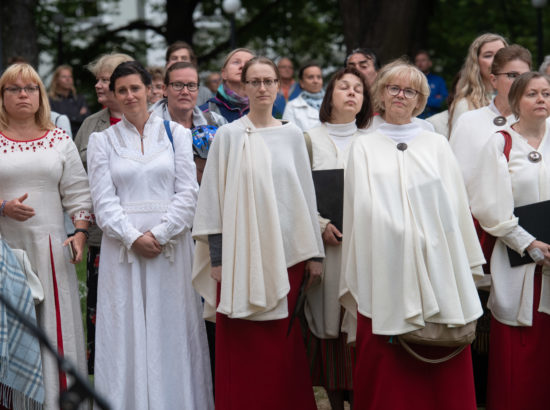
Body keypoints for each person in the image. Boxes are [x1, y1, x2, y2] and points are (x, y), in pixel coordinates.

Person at [339, 61, 484, 410]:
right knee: (389, 375)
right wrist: (401, 234)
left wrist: (433, 243)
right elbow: (362, 207)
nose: (401, 96)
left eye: (410, 91)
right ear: (382, 94)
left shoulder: (435, 144)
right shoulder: (363, 145)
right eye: (393, 88)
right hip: (385, 265)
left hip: (438, 265)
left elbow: (454, 206)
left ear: (420, 99)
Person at [192, 56, 324, 410]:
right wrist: (217, 259)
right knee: (242, 346)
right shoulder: (229, 137)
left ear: (277, 86)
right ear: (245, 87)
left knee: (281, 346)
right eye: (256, 82)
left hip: (287, 259)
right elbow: (213, 200)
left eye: (269, 81)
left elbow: (304, 199)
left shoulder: (294, 135)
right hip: (238, 258)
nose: (263, 88)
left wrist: (313, 255)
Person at [87, 61, 213, 410]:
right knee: (125, 331)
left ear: (151, 90)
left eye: (135, 88)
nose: (129, 96)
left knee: (171, 329)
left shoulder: (179, 135)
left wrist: (159, 234)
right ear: (113, 95)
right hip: (123, 251)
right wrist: (132, 237)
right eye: (122, 90)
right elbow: (103, 200)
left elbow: (189, 194)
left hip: (171, 250)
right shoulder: (102, 141)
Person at [0, 63, 92, 409]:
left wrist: (80, 233)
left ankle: (57, 401)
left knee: (55, 328)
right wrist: (3, 206)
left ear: (41, 95)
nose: (23, 94)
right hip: (4, 250)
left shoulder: (58, 138)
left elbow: (79, 194)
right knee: (9, 328)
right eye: (14, 89)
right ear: (2, 96)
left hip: (51, 249)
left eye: (30, 88)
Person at [468, 72, 550, 410]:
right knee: (520, 361)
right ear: (516, 102)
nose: (542, 99)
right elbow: (488, 205)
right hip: (521, 265)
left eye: (546, 93)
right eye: (532, 94)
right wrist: (527, 242)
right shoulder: (500, 142)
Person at [303, 67, 373, 410]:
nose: (351, 93)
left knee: (359, 323)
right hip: (326, 250)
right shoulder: (307, 139)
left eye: (358, 89)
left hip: (364, 250)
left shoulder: (373, 142)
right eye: (343, 87)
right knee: (329, 322)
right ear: (329, 95)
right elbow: (297, 195)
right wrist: (319, 225)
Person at [73, 51, 134, 374]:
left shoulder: (149, 123)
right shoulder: (89, 126)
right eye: (97, 78)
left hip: (143, 233)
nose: (98, 85)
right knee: (104, 309)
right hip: (101, 235)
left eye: (104, 79)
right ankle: (109, 376)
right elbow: (77, 180)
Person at [451, 45, 532, 191]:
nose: (521, 82)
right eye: (512, 75)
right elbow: (455, 178)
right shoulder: (468, 121)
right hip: (481, 211)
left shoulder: (542, 122)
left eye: (525, 76)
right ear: (494, 80)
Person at [150, 62, 226, 181]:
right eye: (178, 85)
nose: (185, 91)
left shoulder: (216, 122)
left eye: (191, 85)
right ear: (164, 90)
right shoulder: (146, 127)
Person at [448, 33, 507, 132]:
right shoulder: (465, 105)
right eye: (488, 56)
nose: (496, 60)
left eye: (501, 54)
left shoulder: (518, 101)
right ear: (476, 63)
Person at [200, 48, 255, 123]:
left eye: (248, 64)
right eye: (236, 62)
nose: (242, 66)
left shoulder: (269, 108)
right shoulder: (204, 112)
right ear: (224, 73)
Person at [165, 40, 211, 106]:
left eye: (184, 58)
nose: (179, 61)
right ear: (167, 63)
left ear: (192, 62)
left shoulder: (204, 93)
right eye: (174, 58)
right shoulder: (156, 90)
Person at [48, 64, 90, 135]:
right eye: (64, 76)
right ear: (56, 80)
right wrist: (78, 116)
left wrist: (66, 117)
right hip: (60, 138)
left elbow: (88, 120)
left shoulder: (79, 98)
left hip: (79, 137)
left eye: (70, 76)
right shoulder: (50, 100)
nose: (68, 79)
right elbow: (53, 121)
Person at [283, 61, 324, 131]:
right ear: (301, 83)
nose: (315, 81)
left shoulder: (334, 102)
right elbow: (289, 135)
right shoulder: (292, 106)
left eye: (319, 77)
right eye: (310, 77)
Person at [414, 50, 448, 118]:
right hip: (414, 118)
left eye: (423, 60)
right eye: (417, 61)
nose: (420, 63)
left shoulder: (438, 80)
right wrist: (433, 98)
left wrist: (420, 100)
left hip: (433, 118)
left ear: (430, 63)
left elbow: (444, 101)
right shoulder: (410, 80)